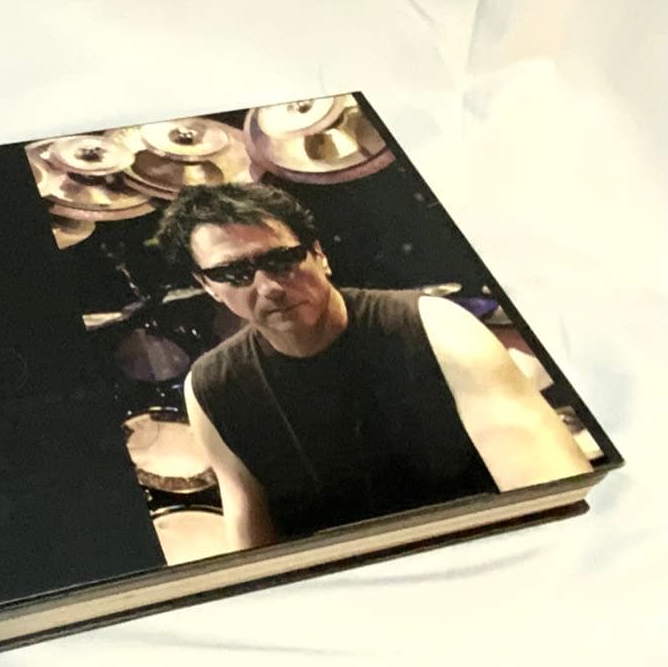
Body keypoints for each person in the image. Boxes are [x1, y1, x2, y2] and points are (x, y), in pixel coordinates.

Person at [148, 183, 593, 550]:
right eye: (233, 273)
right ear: (208, 286)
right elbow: (253, 537)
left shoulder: (436, 327)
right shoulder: (211, 387)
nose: (268, 288)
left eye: (280, 260)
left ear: (319, 254)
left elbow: (553, 492)